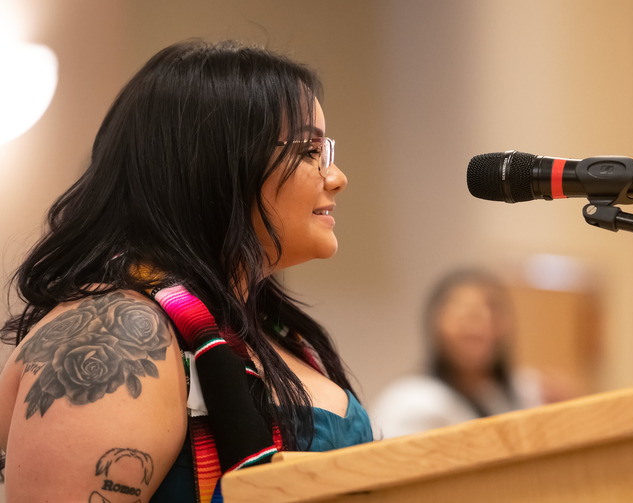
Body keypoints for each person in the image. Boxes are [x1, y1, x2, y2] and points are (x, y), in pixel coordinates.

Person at [0, 39, 372, 502]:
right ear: (216, 163)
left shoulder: (266, 328)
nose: (336, 177)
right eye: (310, 151)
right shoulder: (116, 334)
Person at [372, 269, 550, 439]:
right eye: (464, 313)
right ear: (436, 325)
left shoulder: (522, 392)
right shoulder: (410, 401)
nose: (478, 324)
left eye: (490, 311)